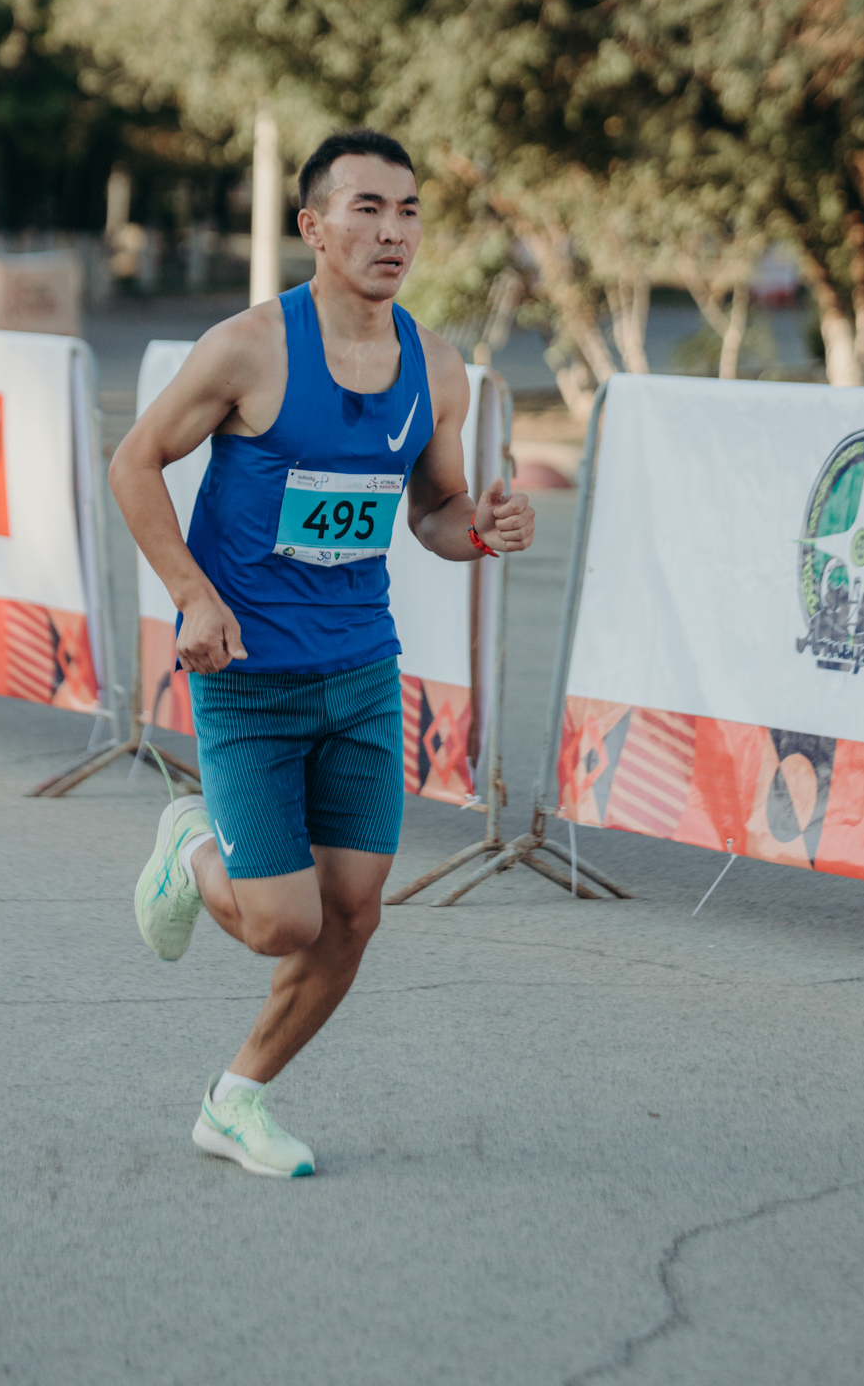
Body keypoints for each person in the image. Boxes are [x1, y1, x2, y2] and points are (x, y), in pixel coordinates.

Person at [109, 129, 535, 1178]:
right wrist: (191, 594)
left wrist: (482, 529)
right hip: (249, 675)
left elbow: (432, 512)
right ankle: (189, 843)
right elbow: (134, 461)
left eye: (408, 210)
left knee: (352, 912)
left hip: (360, 673)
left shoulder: (435, 366)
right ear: (312, 226)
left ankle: (236, 1100)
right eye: (366, 209)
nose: (393, 232)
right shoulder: (250, 348)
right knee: (279, 925)